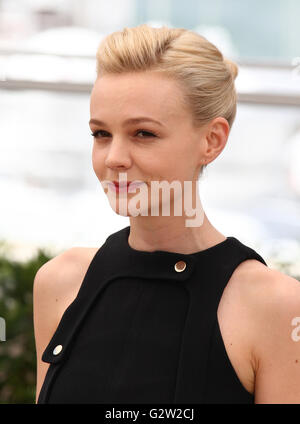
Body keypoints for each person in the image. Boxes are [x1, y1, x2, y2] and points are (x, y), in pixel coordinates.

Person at [34, 24, 300, 404]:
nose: (114, 158)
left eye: (143, 133)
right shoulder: (60, 283)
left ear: (212, 140)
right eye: (101, 134)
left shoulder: (277, 306)